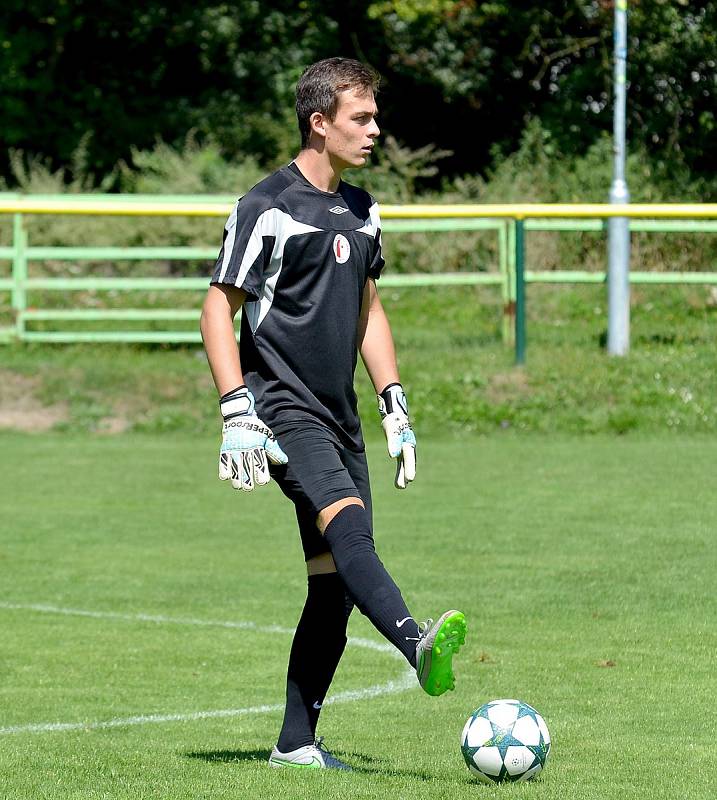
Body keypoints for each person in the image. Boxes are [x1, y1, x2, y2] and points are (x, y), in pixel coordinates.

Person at [200, 57, 466, 771]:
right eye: (361, 118)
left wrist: (394, 401)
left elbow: (368, 310)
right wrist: (235, 409)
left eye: (374, 117)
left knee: (332, 585)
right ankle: (416, 642)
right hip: (281, 408)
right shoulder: (267, 206)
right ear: (319, 123)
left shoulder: (362, 207)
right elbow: (216, 308)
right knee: (349, 531)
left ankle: (294, 743)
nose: (375, 129)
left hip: (339, 414)